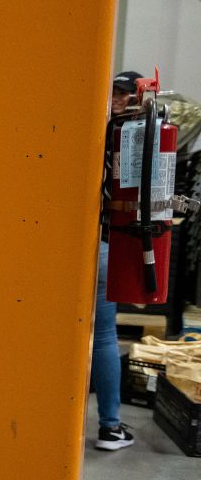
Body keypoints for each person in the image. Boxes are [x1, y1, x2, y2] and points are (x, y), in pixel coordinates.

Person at [91, 71, 143, 450]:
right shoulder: (141, 140)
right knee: (105, 336)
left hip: (74, 248)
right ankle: (110, 426)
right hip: (108, 244)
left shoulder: (90, 129)